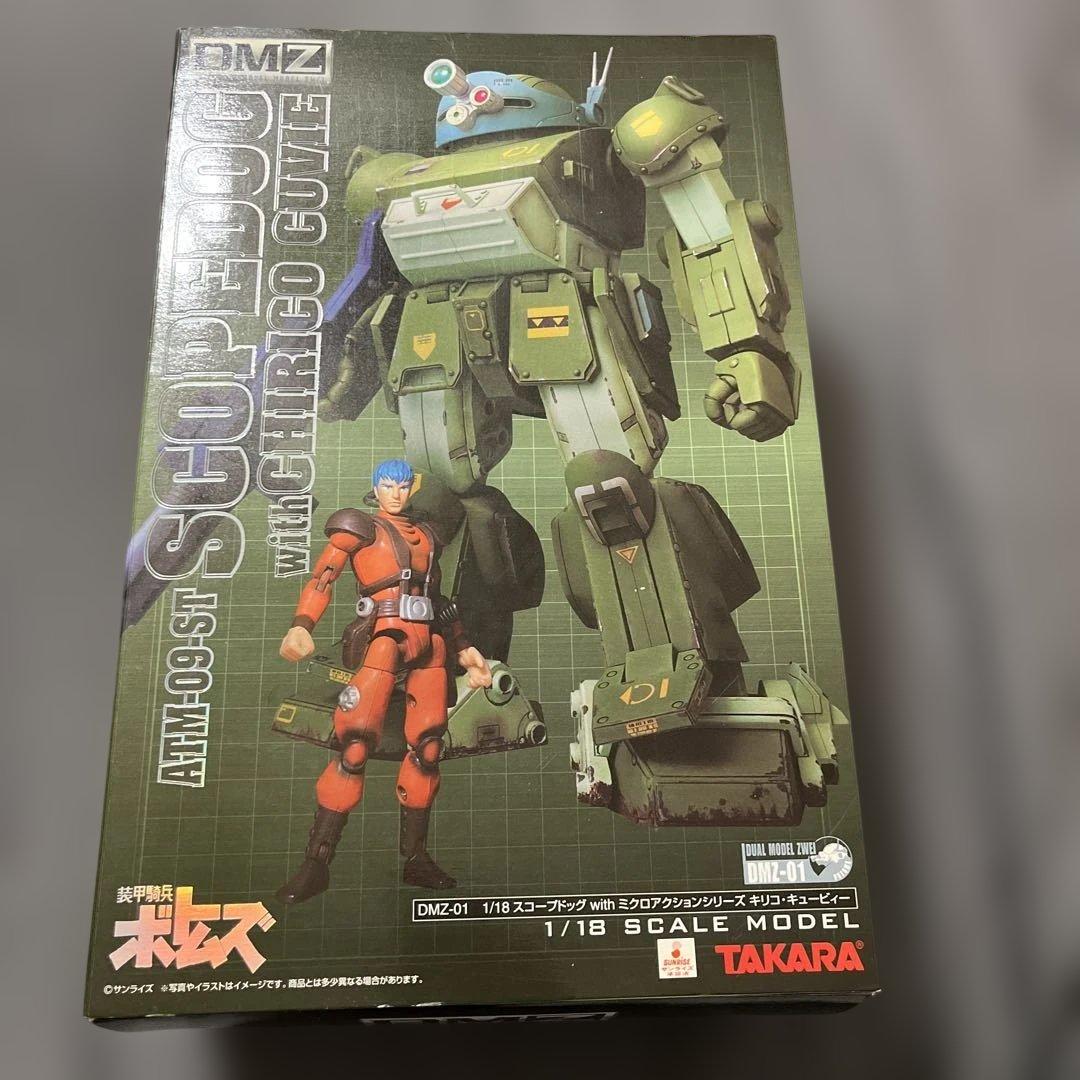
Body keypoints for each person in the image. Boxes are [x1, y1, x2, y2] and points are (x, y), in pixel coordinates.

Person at [276, 459, 492, 903]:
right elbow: (323, 577)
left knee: (428, 748)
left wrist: (465, 647)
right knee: (354, 746)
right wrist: (302, 624)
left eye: (402, 486)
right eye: (387, 486)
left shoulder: (428, 534)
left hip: (430, 644)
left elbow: (438, 599)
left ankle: (416, 859)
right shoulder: (359, 528)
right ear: (375, 488)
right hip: (384, 640)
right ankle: (316, 864)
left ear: (411, 489)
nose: (395, 493)